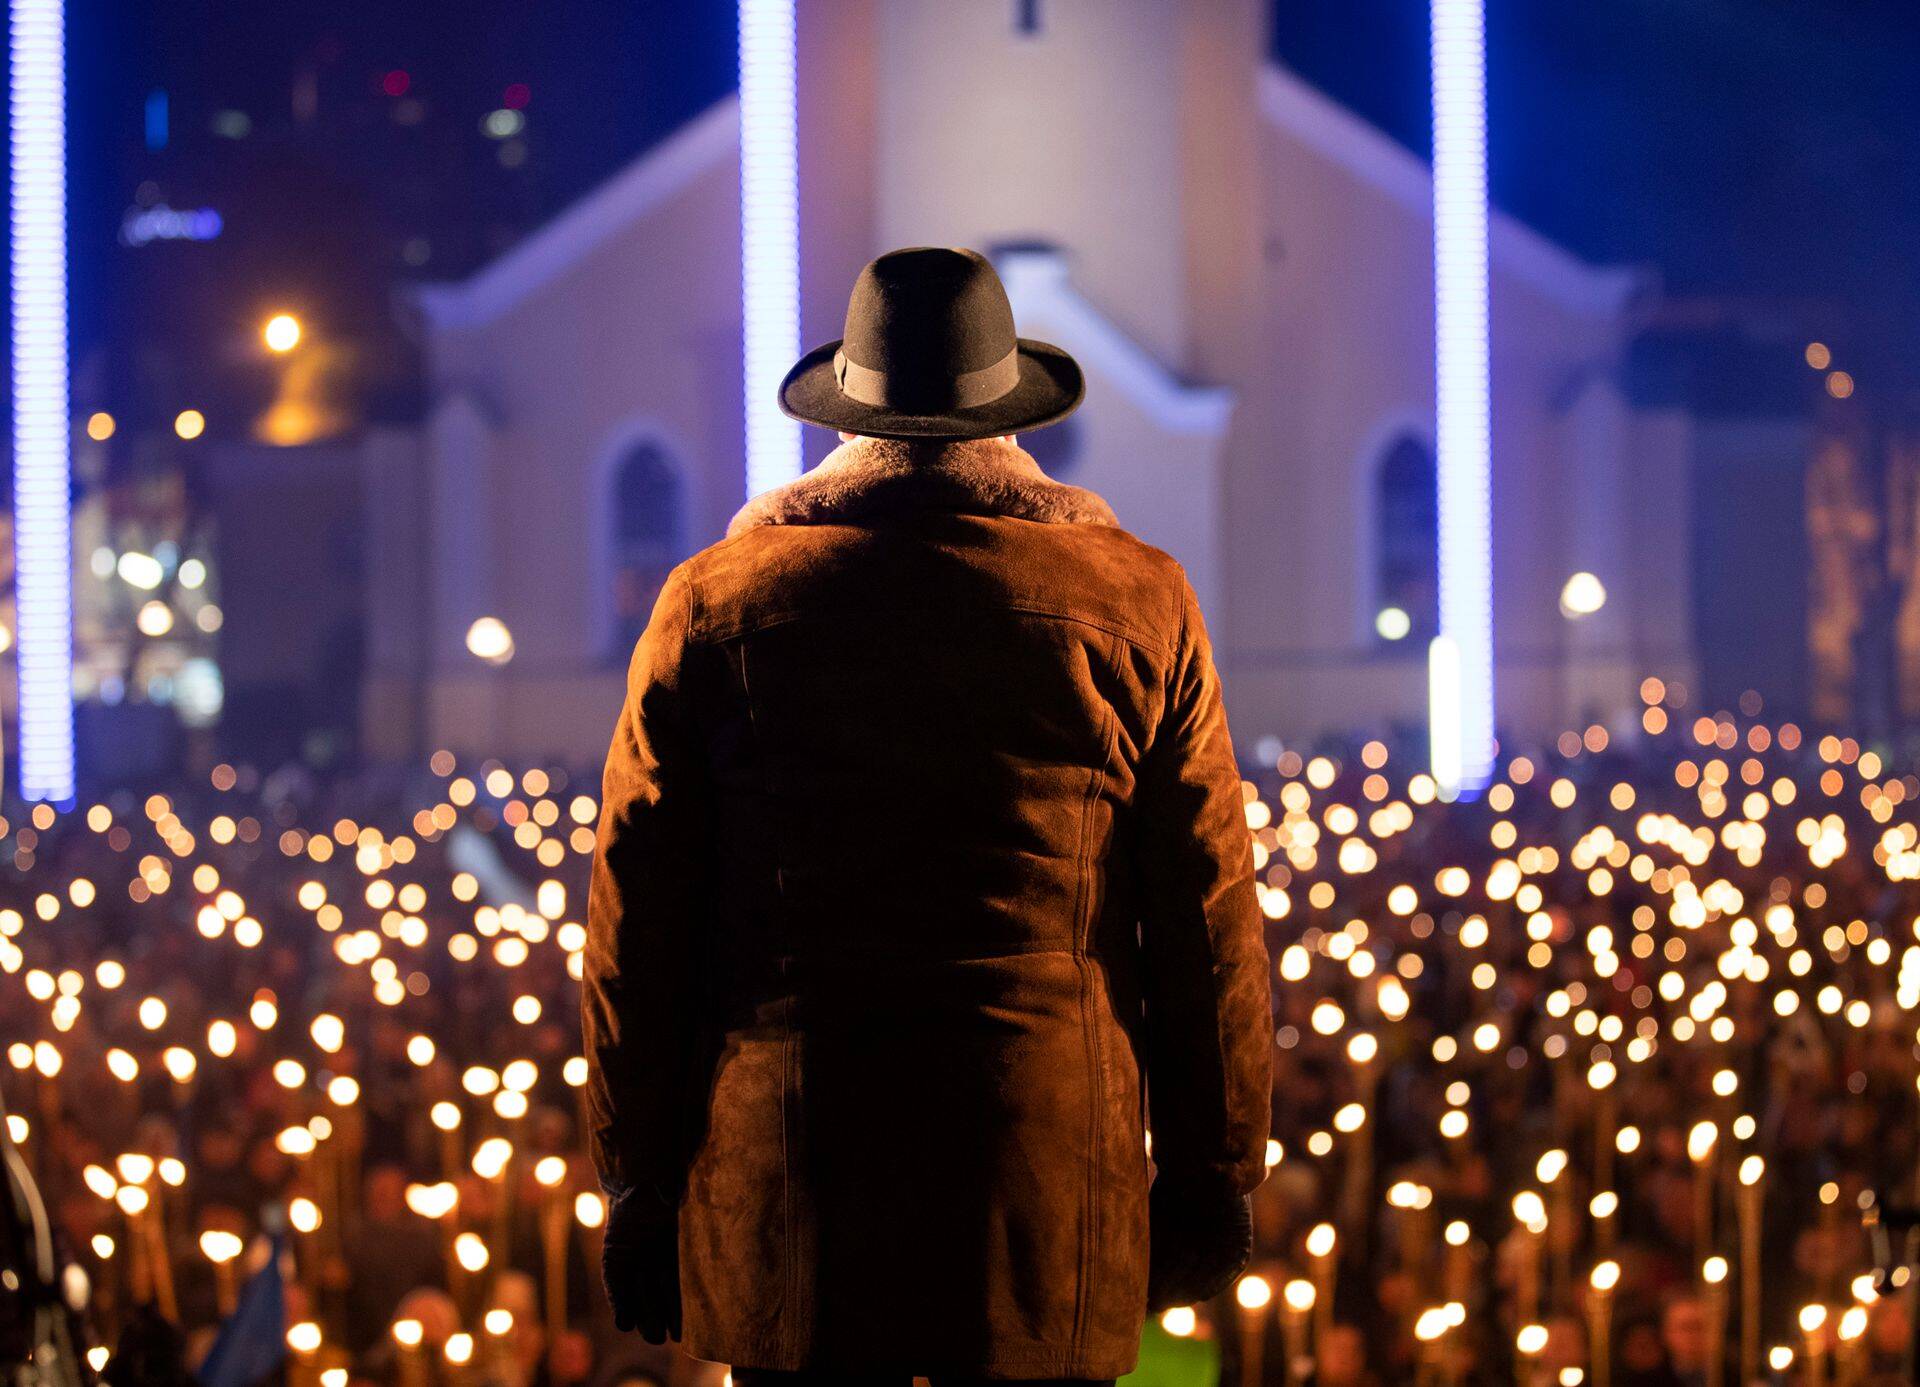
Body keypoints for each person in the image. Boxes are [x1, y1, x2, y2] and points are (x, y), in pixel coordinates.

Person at [584, 246, 1274, 1386]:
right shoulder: (1138, 601)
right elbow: (1206, 918)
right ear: (1010, 414)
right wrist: (1212, 1171)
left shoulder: (715, 603)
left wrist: (639, 1177)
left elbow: (639, 919)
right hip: (1044, 1181)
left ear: (849, 414)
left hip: (789, 1183)